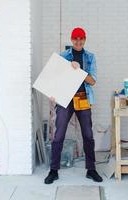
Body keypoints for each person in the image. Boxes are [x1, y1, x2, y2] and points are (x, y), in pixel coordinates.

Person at [44, 27, 103, 184]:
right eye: (75, 39)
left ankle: (91, 170)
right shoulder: (63, 56)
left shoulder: (90, 57)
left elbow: (93, 80)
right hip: (65, 98)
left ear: (84, 39)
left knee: (88, 136)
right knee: (59, 135)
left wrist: (80, 71)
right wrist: (52, 91)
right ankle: (53, 170)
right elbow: (53, 78)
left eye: (81, 39)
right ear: (71, 40)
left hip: (83, 98)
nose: (78, 41)